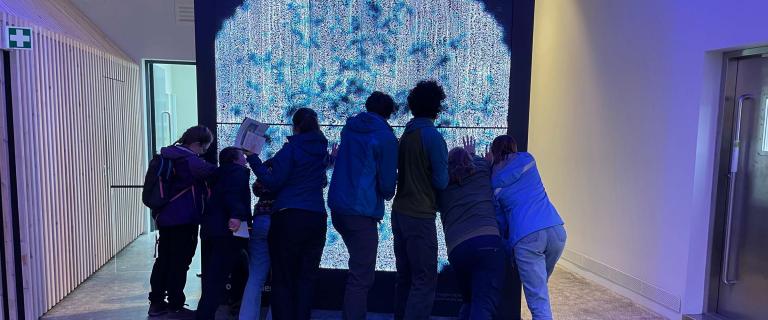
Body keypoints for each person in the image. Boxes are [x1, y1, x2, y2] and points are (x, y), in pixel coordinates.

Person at [247, 107, 330, 320]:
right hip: (317, 218)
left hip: (289, 217)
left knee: (283, 278)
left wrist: (253, 159)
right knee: (306, 278)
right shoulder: (322, 151)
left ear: (296, 126)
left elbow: (273, 182)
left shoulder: (290, 150)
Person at [328, 91, 399, 320]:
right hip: (361, 213)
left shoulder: (349, 128)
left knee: (357, 272)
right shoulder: (385, 137)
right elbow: (388, 188)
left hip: (338, 208)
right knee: (361, 277)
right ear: (388, 114)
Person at [490, 135, 566, 320]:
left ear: (493, 151)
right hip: (555, 229)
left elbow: (501, 222)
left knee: (539, 301)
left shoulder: (494, 181)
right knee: (540, 289)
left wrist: (507, 248)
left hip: (527, 238)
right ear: (514, 147)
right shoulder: (528, 159)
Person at [391, 80, 449, 320]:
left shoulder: (406, 135)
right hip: (420, 215)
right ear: (437, 107)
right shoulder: (433, 137)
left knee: (404, 277)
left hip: (400, 212)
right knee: (424, 279)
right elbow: (441, 182)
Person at [148, 125, 216, 318]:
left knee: (163, 260)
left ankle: (156, 303)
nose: (203, 153)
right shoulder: (189, 161)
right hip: (184, 219)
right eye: (204, 148)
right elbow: (214, 172)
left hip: (166, 218)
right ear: (196, 144)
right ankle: (176, 304)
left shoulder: (169, 154)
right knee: (180, 262)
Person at [437, 138, 505, 320]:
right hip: (487, 243)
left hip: (457, 249)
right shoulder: (482, 168)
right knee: (482, 305)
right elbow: (485, 164)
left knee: (468, 302)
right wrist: (473, 153)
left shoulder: (442, 185)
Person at [196, 147, 251, 320]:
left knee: (218, 274)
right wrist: (236, 215)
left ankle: (227, 306)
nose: (244, 158)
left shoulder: (218, 174)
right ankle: (206, 315)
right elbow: (233, 195)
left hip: (212, 230)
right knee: (218, 277)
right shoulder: (237, 172)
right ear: (234, 160)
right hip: (229, 230)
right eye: (242, 156)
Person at [239, 159, 276, 320]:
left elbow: (256, 188)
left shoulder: (271, 164)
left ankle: (247, 317)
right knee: (282, 276)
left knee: (255, 276)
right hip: (282, 221)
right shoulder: (299, 163)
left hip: (260, 220)